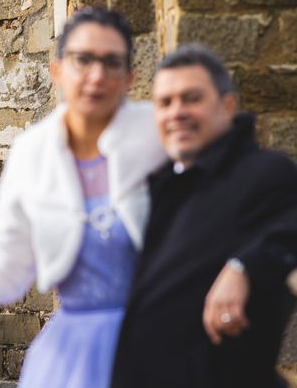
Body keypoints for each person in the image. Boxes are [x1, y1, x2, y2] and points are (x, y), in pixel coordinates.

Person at [0, 7, 167, 387]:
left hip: (162, 342)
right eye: (83, 59)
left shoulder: (159, 137)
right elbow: (6, 273)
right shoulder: (31, 154)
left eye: (112, 62)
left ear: (129, 78)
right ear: (57, 71)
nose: (97, 75)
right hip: (75, 357)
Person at [111, 45, 297, 388]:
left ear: (227, 107)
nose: (176, 112)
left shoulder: (265, 172)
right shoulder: (161, 186)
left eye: (191, 98)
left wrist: (244, 266)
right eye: (165, 103)